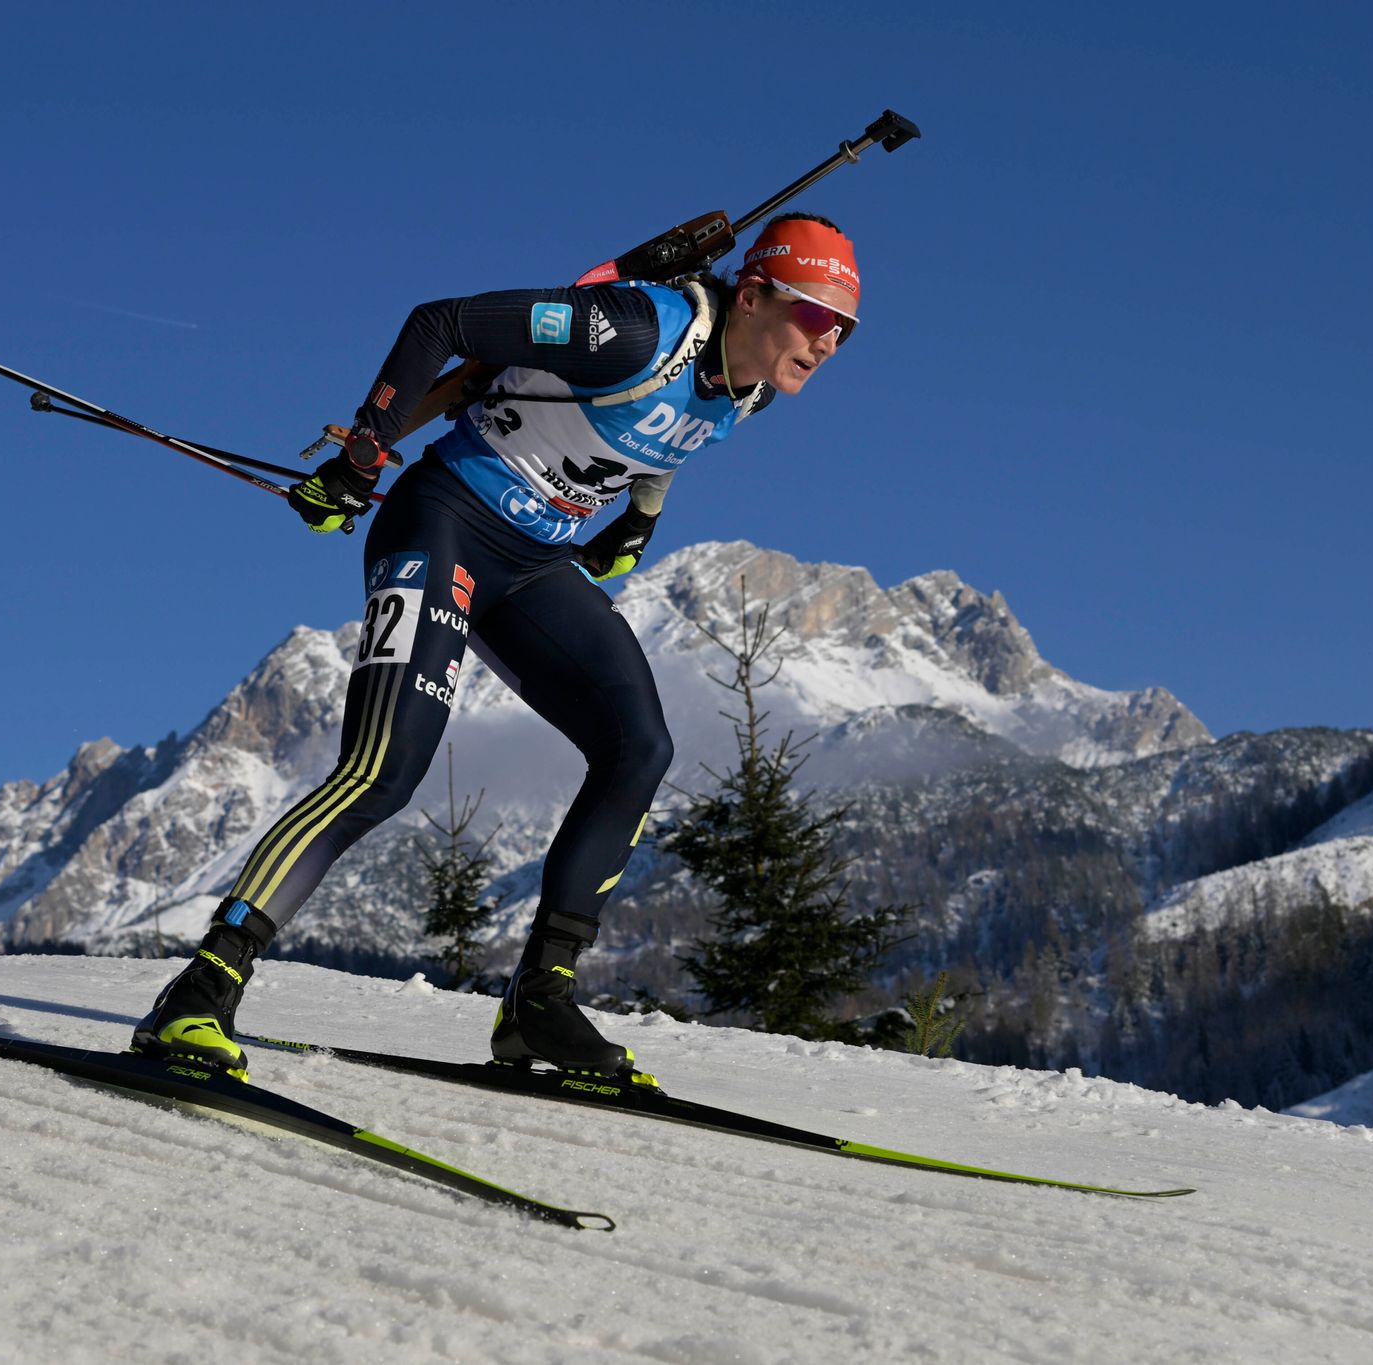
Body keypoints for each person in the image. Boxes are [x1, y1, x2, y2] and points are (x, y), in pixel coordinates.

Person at [131, 213, 863, 1078]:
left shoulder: (753, 383)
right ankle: (202, 988)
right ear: (752, 295)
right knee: (384, 770)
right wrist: (365, 450)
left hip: (532, 563)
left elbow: (673, 432)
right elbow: (439, 322)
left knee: (639, 747)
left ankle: (538, 1006)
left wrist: (638, 518)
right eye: (816, 317)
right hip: (442, 523)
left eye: (844, 331)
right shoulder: (633, 330)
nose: (828, 344)